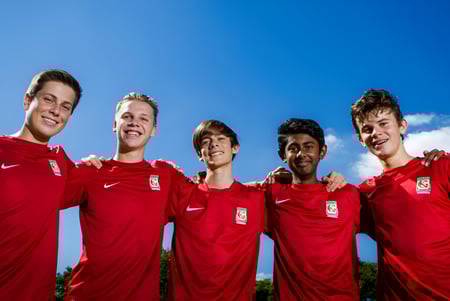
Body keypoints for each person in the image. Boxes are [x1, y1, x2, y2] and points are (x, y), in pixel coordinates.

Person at [63, 93, 185, 301]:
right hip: (87, 295)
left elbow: (213, 193)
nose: (134, 123)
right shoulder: (90, 171)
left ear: (153, 130)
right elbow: (35, 198)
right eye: (127, 116)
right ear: (114, 124)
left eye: (143, 118)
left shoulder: (167, 176)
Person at [352, 89, 450, 300]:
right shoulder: (364, 194)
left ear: (402, 125)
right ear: (361, 139)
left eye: (383, 123)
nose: (376, 132)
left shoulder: (441, 166)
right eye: (367, 129)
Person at [0, 69, 82, 300]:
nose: (56, 111)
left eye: (66, 106)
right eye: (49, 99)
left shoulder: (61, 163)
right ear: (28, 100)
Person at [168, 120, 264, 301]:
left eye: (221, 138)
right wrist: (98, 165)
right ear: (200, 154)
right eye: (205, 141)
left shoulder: (257, 198)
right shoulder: (181, 192)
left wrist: (331, 180)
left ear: (235, 147)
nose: (214, 144)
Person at [265, 118, 360, 300]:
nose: (301, 154)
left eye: (309, 146)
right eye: (293, 148)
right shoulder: (271, 194)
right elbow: (225, 191)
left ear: (322, 151)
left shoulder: (348, 193)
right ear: (282, 155)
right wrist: (203, 176)